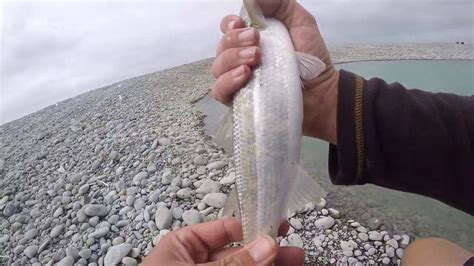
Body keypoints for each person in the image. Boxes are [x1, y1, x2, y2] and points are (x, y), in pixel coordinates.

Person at [144, 0, 474, 265]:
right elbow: (312, 70)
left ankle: (260, 235)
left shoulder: (267, 29)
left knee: (427, 252)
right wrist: (328, 100)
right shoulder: (271, 28)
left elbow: (307, 66)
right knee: (425, 251)